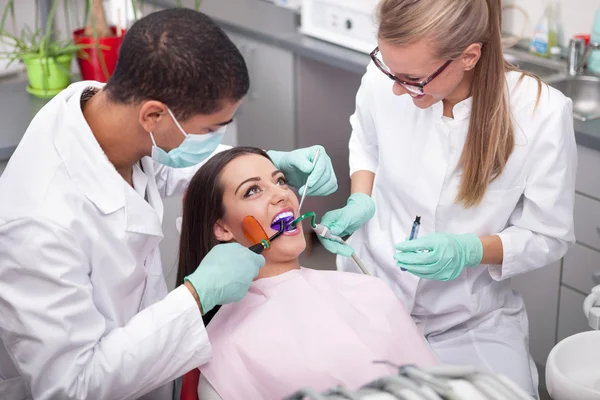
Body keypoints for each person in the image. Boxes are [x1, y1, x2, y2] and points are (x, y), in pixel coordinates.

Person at [0, 9, 338, 400]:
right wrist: (196, 296)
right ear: (154, 115)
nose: (216, 139)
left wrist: (270, 160)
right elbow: (72, 387)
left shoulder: (109, 113)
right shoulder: (37, 223)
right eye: (210, 130)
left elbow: (168, 164)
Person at [316, 0, 577, 397]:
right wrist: (360, 200)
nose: (396, 88)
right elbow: (366, 143)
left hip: (470, 319)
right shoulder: (387, 75)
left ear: (469, 56)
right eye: (389, 69)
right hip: (372, 293)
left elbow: (550, 235)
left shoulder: (540, 114)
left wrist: (470, 250)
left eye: (413, 79)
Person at [173, 147, 438, 400]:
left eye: (280, 181)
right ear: (221, 229)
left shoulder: (369, 290)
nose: (281, 195)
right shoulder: (223, 350)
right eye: (253, 190)